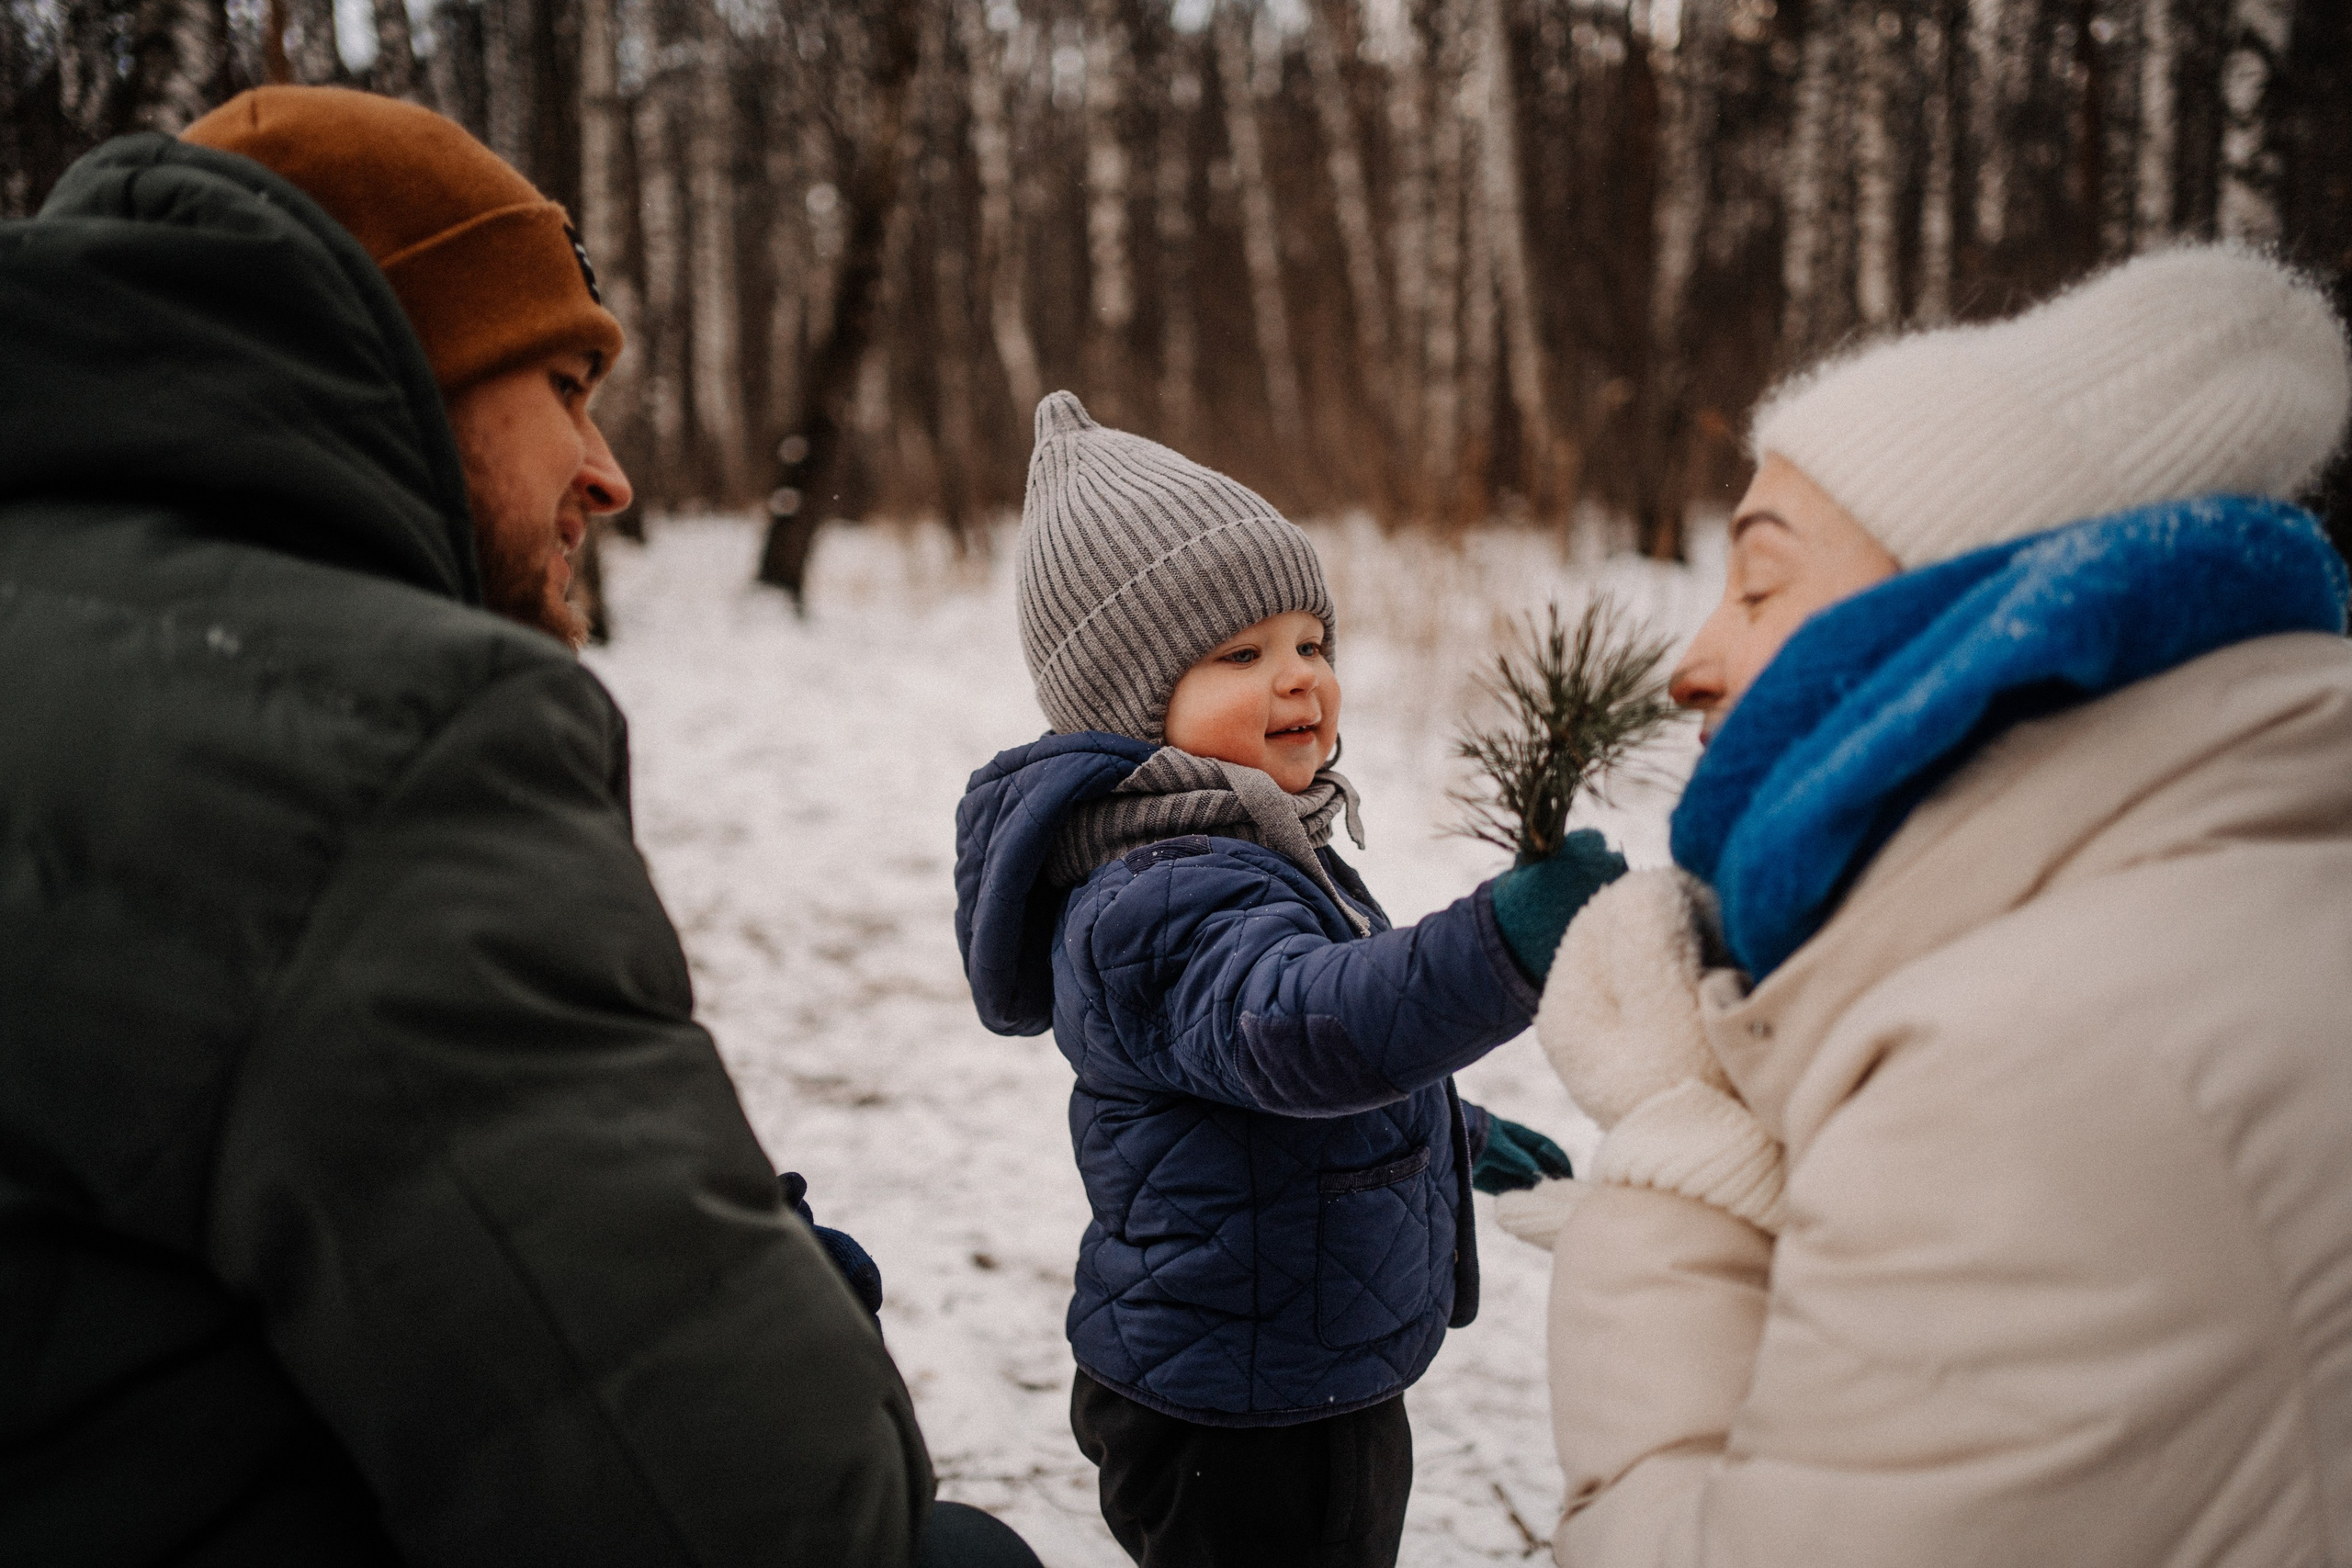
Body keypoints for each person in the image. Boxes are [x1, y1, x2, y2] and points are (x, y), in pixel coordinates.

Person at [0, 86, 1034, 1568]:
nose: (605, 472)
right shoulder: (376, 745)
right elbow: (763, 1520)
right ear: (396, 374)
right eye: (562, 381)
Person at [1493, 244, 2352, 1564]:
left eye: (1761, 581)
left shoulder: (2011, 1065)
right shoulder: (2223, 915)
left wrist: (1679, 1151)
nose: (1690, 663)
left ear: (1962, 603)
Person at [952, 392, 1622, 1567]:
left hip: (1297, 1370)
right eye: (1241, 654)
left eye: (1312, 642)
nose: (1300, 677)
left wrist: (1446, 1130)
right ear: (1130, 699)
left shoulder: (1254, 843)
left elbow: (1280, 1074)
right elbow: (1301, 1029)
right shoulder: (1153, 893)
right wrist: (1499, 943)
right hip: (1233, 1412)